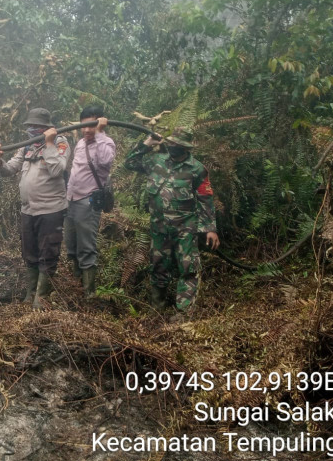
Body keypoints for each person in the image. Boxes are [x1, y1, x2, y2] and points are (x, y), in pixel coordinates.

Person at [124, 126, 220, 315]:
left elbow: (205, 199)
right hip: (159, 227)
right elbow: (130, 162)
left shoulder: (197, 169)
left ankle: (183, 314)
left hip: (186, 227)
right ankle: (157, 310)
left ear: (186, 147)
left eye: (178, 144)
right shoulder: (155, 161)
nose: (173, 147)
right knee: (158, 266)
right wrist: (146, 144)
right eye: (172, 143)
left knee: (188, 269)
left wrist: (210, 228)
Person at [0, 108, 69, 308]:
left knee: (48, 252)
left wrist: (49, 143)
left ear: (46, 128)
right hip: (28, 210)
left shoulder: (60, 143)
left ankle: (41, 297)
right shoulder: (26, 147)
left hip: (51, 209)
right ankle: (30, 293)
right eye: (29, 126)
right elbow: (9, 170)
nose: (31, 130)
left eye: (36, 126)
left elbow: (57, 169)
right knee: (30, 252)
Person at [64, 106, 114, 296]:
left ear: (99, 123)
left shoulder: (106, 143)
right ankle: (76, 288)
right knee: (71, 246)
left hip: (88, 202)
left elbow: (105, 161)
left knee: (86, 247)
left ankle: (89, 295)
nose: (86, 130)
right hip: (72, 201)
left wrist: (100, 133)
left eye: (91, 126)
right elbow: (76, 172)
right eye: (83, 126)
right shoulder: (80, 144)